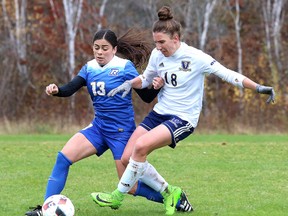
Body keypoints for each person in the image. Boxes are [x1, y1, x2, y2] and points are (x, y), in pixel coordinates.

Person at [91, 5, 276, 215]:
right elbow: (146, 79)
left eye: (162, 42)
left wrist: (258, 87)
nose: (158, 47)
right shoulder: (157, 55)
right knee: (127, 158)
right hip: (159, 113)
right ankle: (171, 192)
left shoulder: (195, 57)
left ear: (176, 38)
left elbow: (228, 74)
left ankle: (117, 196)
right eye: (156, 42)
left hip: (183, 119)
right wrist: (128, 83)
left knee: (141, 147)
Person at [25, 28, 192, 216]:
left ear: (114, 49)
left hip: (121, 133)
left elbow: (145, 97)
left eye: (104, 48)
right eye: (96, 47)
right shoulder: (89, 68)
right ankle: (44, 209)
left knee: (129, 187)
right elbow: (71, 88)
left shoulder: (124, 67)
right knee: (63, 159)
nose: (99, 52)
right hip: (98, 129)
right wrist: (57, 90)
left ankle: (175, 199)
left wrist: (155, 87)